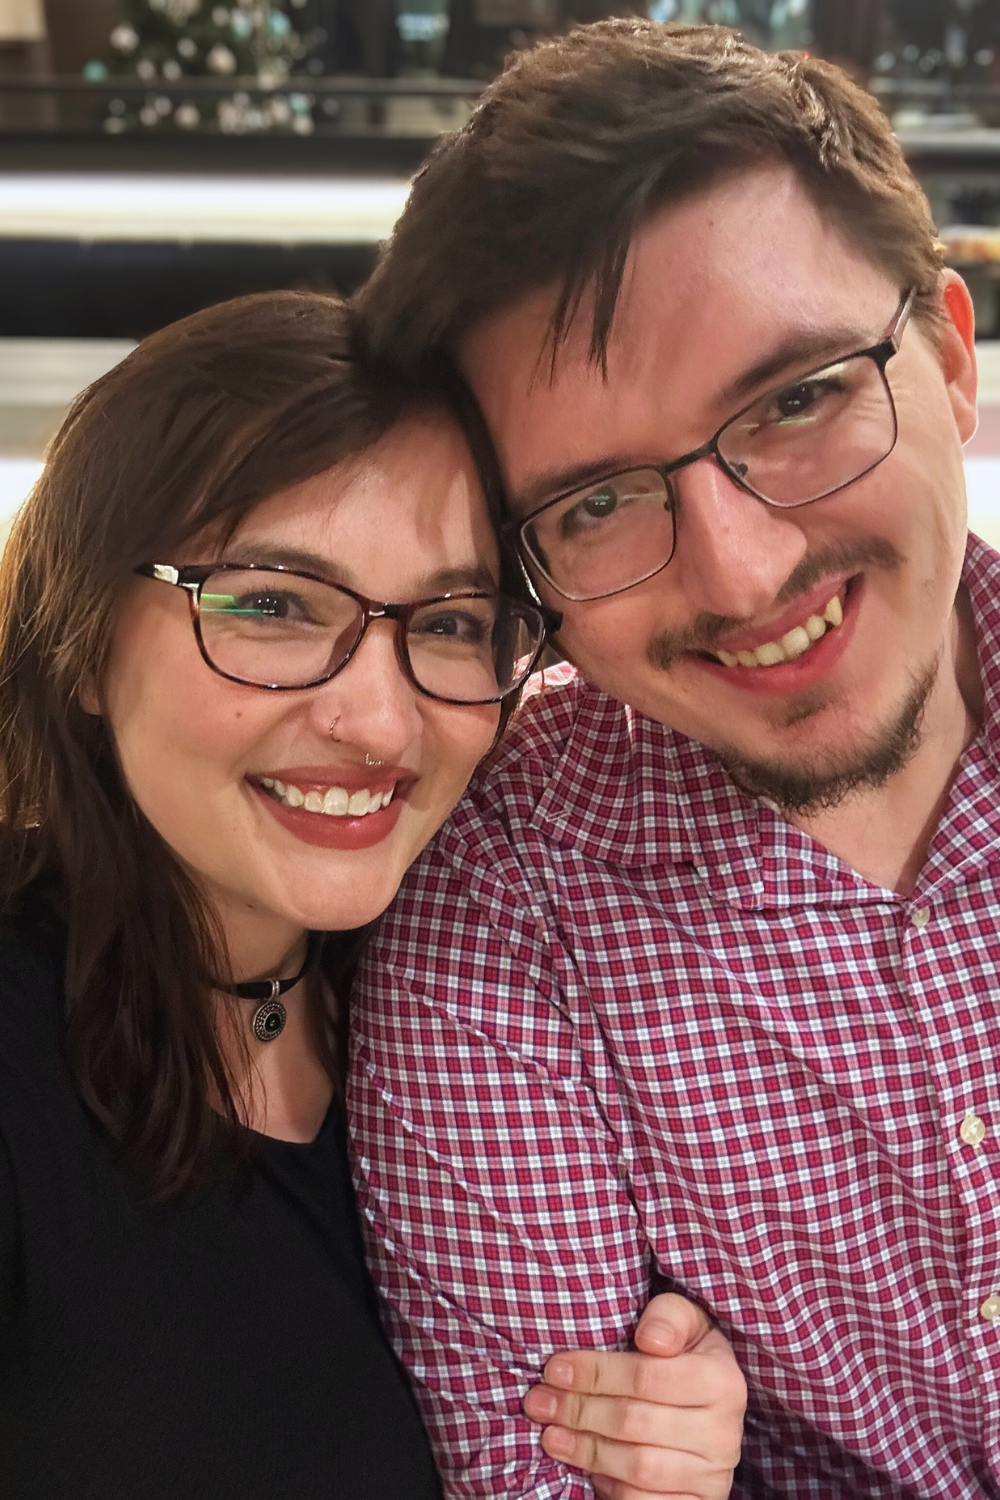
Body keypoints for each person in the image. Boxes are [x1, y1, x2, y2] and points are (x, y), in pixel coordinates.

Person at [348, 18, 1000, 1499]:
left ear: (951, 360)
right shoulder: (506, 915)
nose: (740, 572)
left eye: (796, 399)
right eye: (595, 506)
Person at [0, 288, 744, 1499]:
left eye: (450, 624)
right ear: (85, 636)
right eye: (273, 604)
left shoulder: (485, 1006)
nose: (379, 721)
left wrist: (659, 1442)